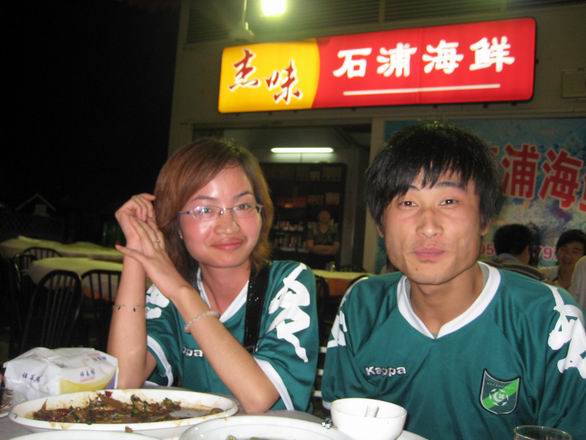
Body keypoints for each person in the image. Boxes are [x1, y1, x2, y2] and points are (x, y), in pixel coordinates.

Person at [321, 122, 586, 439]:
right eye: (407, 202)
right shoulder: (363, 305)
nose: (428, 227)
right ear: (380, 224)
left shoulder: (548, 317)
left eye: (449, 201)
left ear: (484, 219)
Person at [108, 138, 319, 413]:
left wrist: (181, 292)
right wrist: (137, 250)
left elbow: (258, 398)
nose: (228, 226)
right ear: (176, 224)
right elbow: (122, 383)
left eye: (243, 206)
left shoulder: (288, 282)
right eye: (205, 210)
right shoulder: (168, 294)